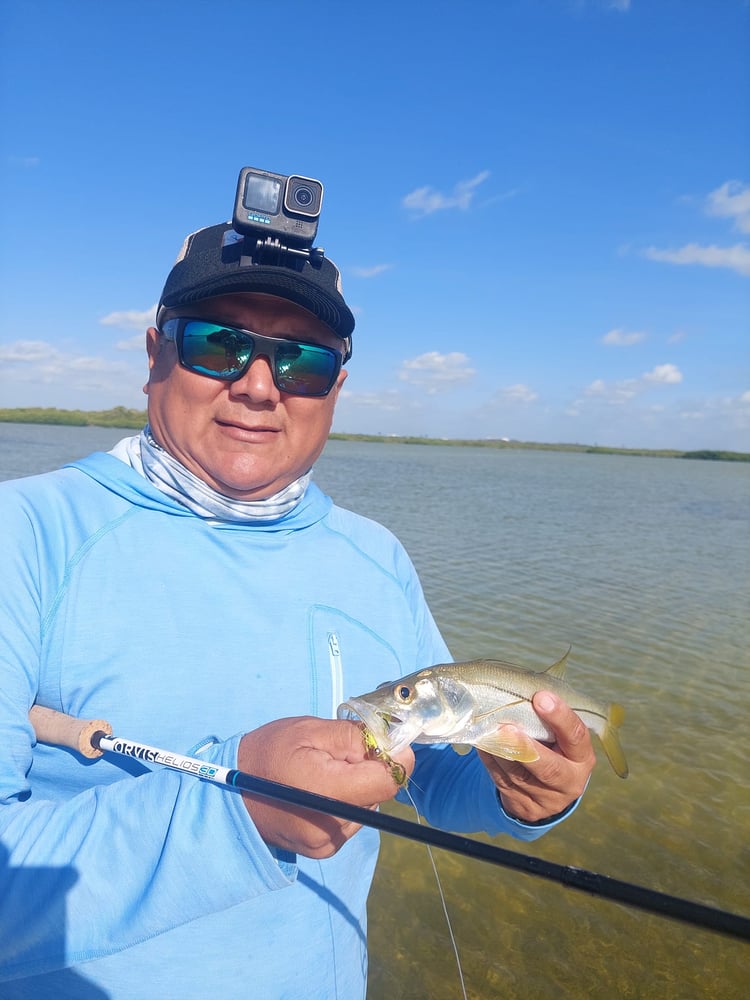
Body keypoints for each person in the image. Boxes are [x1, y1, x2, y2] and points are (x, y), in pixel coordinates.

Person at [0, 176, 596, 998]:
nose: (257, 383)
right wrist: (234, 813)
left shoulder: (376, 557)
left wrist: (524, 795)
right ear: (152, 356)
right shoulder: (24, 535)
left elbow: (441, 779)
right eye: (218, 343)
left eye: (302, 359)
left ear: (335, 391)